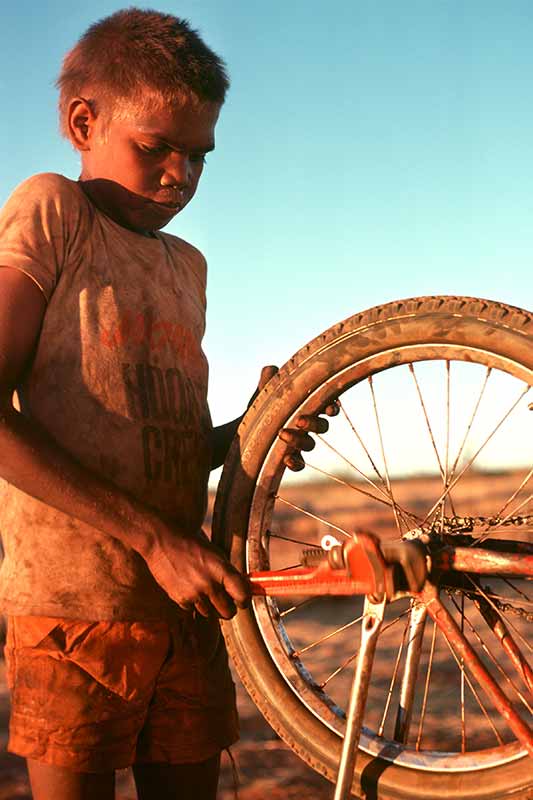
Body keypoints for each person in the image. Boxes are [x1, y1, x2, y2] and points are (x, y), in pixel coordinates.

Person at [0, 8, 333, 800]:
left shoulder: (187, 264)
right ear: (84, 122)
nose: (179, 173)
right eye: (155, 147)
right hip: (77, 609)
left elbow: (166, 439)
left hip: (187, 598)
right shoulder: (53, 211)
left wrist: (255, 427)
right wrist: (151, 539)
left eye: (197, 156)